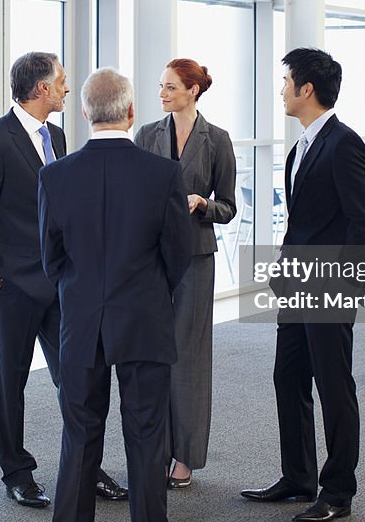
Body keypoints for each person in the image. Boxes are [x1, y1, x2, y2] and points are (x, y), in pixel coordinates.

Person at [0, 52, 126, 508]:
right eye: (62, 81)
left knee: (78, 377)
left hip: (62, 283)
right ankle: (17, 472)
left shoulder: (58, 135)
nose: (68, 88)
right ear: (41, 89)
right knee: (11, 384)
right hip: (14, 287)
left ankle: (85, 465)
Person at [38, 68, 193, 522]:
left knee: (80, 435)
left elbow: (51, 260)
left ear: (85, 112)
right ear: (130, 112)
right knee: (147, 435)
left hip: (82, 324)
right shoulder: (163, 174)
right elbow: (178, 254)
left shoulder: (54, 176)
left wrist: (82, 293)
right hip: (144, 319)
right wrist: (147, 292)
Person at [240, 48, 365, 521]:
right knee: (289, 376)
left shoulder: (344, 144)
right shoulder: (302, 145)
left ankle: (338, 491)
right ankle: (298, 477)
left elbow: (364, 222)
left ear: (306, 90)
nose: (280, 90)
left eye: (285, 82)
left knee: (333, 384)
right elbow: (301, 222)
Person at [134, 58, 236, 488]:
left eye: (171, 87)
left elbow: (229, 207)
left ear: (193, 90)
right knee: (153, 356)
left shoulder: (217, 140)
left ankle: (186, 456)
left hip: (195, 257)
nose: (162, 94)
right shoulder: (146, 135)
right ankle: (154, 449)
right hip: (151, 260)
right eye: (161, 86)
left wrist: (203, 204)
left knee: (189, 358)